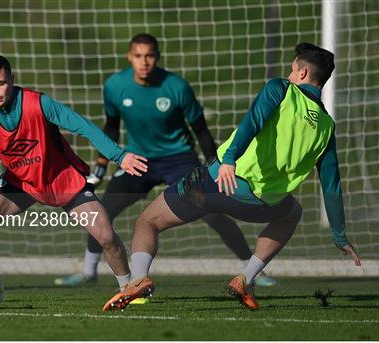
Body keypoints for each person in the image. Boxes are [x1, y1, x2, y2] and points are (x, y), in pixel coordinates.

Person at [103, 42, 361, 312]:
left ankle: (138, 279)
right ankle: (246, 279)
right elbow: (331, 185)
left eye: (292, 70)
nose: (289, 75)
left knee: (148, 221)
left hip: (217, 183)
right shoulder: (327, 127)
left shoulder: (282, 89)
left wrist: (228, 160)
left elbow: (253, 121)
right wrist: (340, 236)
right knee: (292, 212)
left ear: (303, 74)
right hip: (263, 204)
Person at [54, 33, 277, 293]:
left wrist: (215, 167)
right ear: (130, 57)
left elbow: (201, 131)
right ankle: (88, 271)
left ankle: (250, 269)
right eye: (138, 56)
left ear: (157, 58)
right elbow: (111, 126)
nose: (144, 62)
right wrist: (101, 167)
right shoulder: (115, 86)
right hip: (138, 161)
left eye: (149, 56)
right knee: (102, 209)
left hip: (179, 160)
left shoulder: (177, 87)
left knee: (213, 213)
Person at [0, 55, 148, 303]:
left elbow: (83, 126)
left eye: (0, 83)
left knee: (106, 237)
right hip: (21, 182)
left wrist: (119, 156)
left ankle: (128, 289)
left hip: (62, 179)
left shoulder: (38, 103)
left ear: (12, 80)